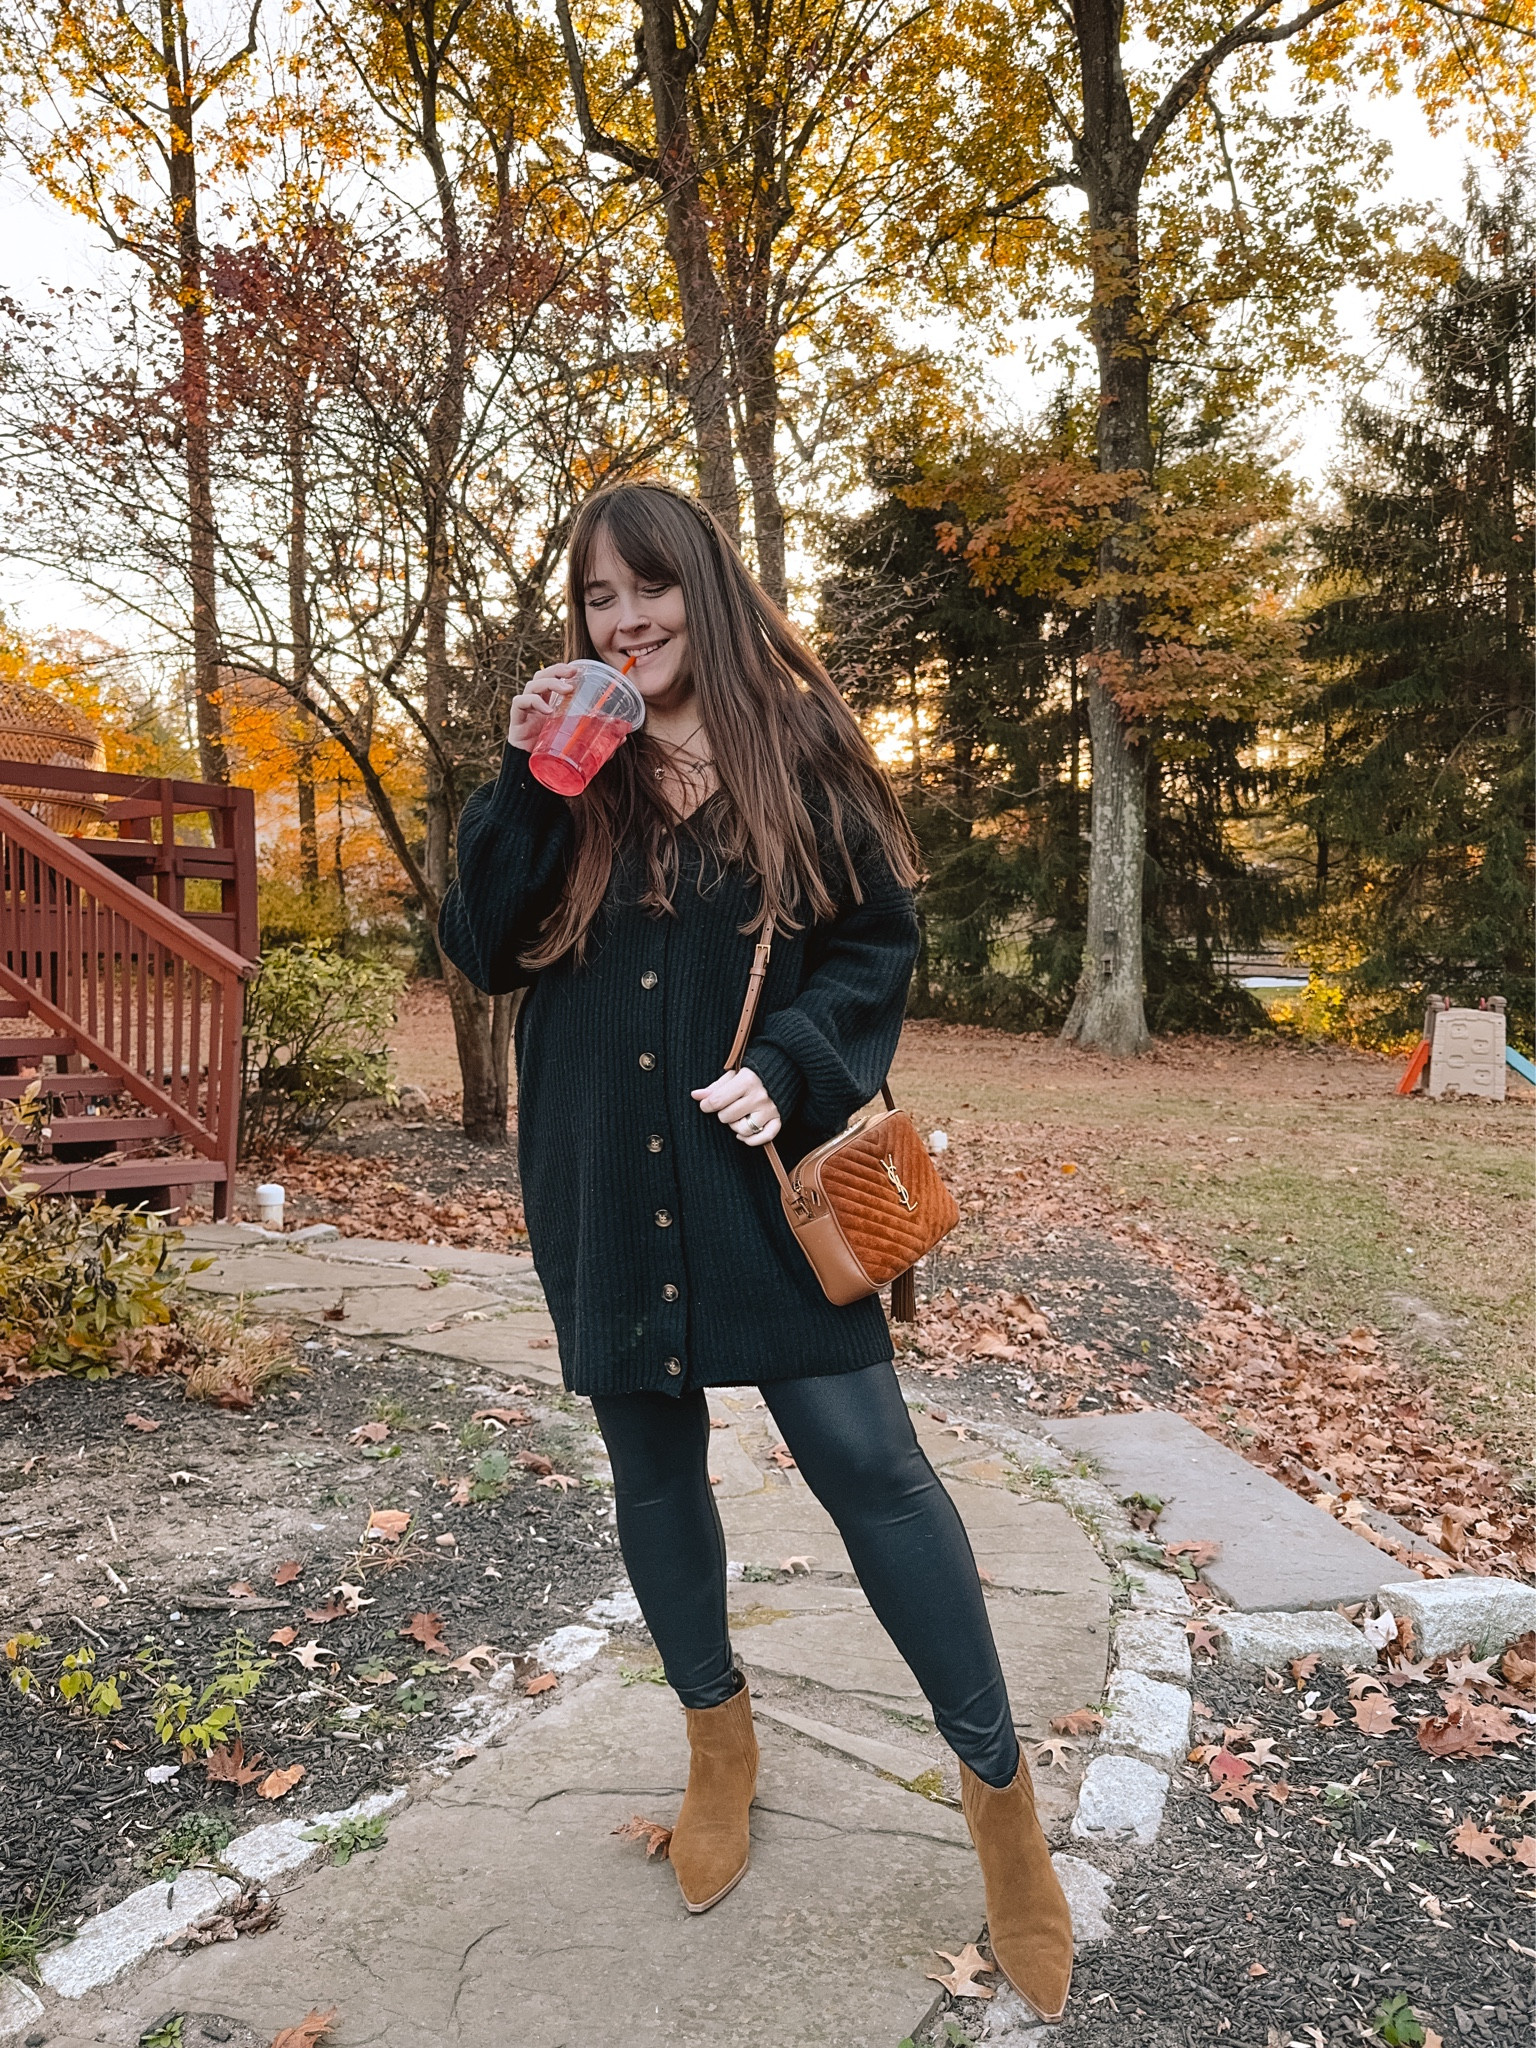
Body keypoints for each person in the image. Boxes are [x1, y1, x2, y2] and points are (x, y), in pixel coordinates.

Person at [437, 480, 1073, 2023]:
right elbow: (479, 946)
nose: (622, 621)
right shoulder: (565, 760)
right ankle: (717, 1743)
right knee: (653, 1469)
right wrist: (529, 779)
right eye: (596, 598)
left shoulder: (804, 751)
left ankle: (1000, 1800)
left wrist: (791, 1065)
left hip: (761, 1179)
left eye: (646, 589)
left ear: (703, 591)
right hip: (600, 1168)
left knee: (874, 1467)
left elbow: (875, 952)